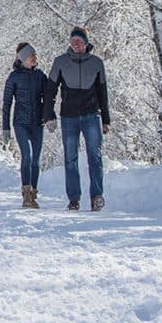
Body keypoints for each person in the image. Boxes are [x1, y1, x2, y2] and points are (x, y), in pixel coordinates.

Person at [43, 26, 110, 211]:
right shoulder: (60, 62)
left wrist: (106, 119)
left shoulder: (97, 63)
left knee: (95, 156)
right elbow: (50, 90)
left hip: (91, 115)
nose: (76, 44)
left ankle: (96, 196)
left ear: (86, 43)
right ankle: (74, 199)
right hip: (69, 116)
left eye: (79, 41)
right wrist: (49, 114)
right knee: (70, 158)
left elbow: (103, 92)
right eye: (73, 41)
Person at [2, 42, 48, 209]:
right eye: (31, 56)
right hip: (20, 123)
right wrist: (5, 128)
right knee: (26, 156)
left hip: (37, 123)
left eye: (35, 55)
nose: (35, 58)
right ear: (23, 59)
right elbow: (6, 104)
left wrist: (49, 117)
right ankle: (26, 193)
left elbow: (49, 98)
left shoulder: (40, 76)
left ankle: (33, 194)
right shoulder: (13, 77)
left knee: (36, 159)